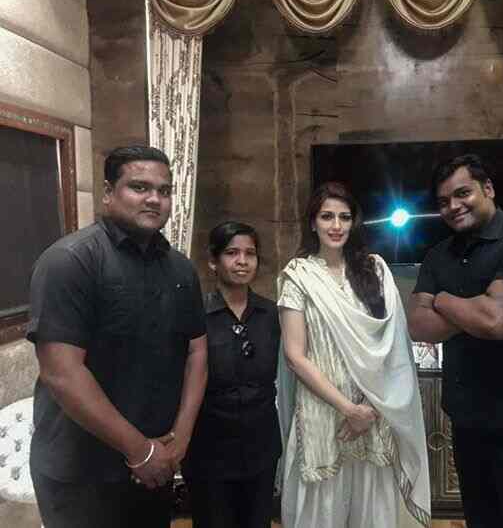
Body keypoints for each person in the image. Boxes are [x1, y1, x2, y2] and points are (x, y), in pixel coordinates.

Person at [27, 146, 208, 528]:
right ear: (108, 192)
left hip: (155, 464)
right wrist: (139, 451)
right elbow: (62, 373)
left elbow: (196, 351)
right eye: (139, 187)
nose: (154, 199)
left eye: (164, 190)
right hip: (83, 473)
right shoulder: (71, 261)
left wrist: (181, 437)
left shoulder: (180, 269)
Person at [408, 154, 503, 528]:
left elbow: (496, 321)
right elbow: (418, 325)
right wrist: (476, 306)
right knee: (481, 520)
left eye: (463, 193)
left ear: (487, 188)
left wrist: (443, 300)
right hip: (466, 418)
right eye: (444, 201)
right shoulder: (438, 255)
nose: (453, 206)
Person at [276, 181, 431, 528]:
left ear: (354, 222)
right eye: (327, 216)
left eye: (344, 217)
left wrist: (368, 409)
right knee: (320, 514)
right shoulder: (297, 276)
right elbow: (295, 356)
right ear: (312, 222)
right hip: (321, 416)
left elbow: (394, 348)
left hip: (374, 411)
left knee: (372, 514)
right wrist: (349, 410)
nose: (336, 225)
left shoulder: (375, 270)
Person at [183, 221, 281, 528]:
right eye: (232, 253)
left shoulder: (272, 314)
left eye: (250, 253)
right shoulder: (196, 314)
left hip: (261, 447)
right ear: (213, 261)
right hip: (209, 449)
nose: (242, 261)